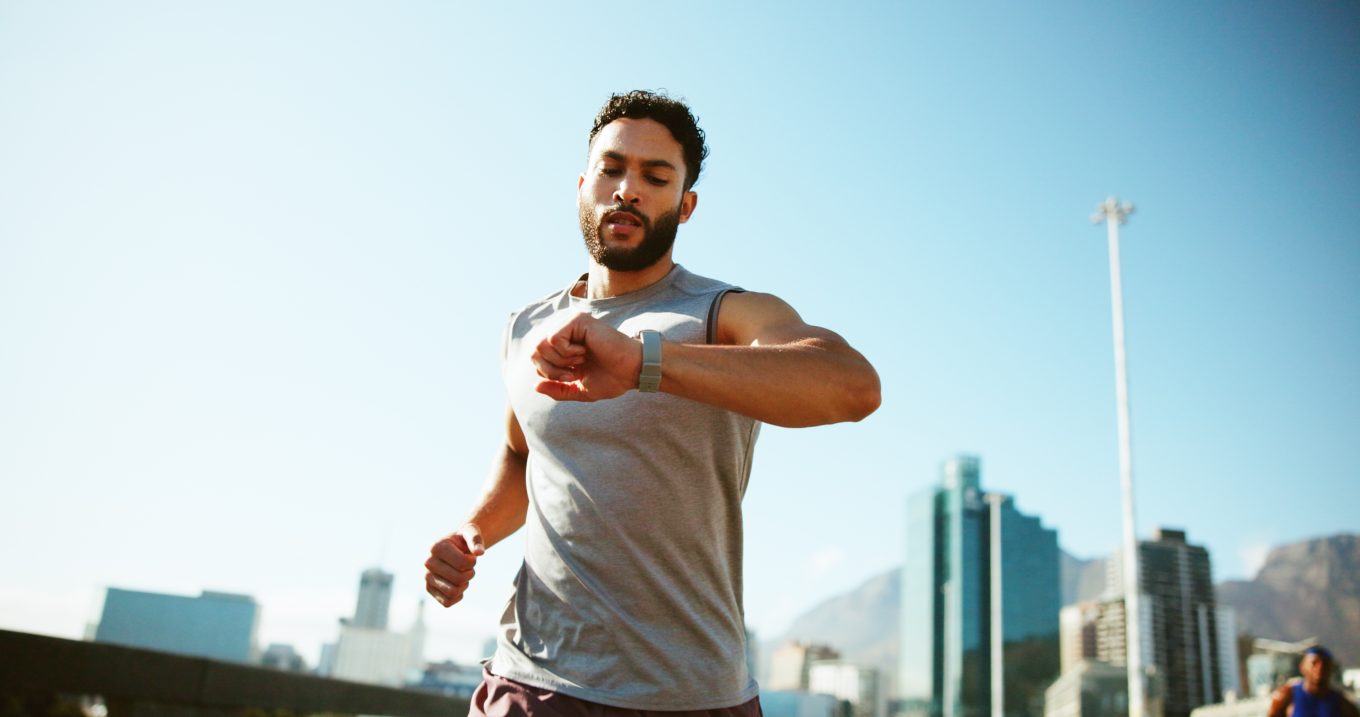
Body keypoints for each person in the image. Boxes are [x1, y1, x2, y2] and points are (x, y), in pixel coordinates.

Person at [424, 90, 881, 716]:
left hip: (691, 697)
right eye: (612, 169)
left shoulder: (724, 312)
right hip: (532, 686)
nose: (628, 188)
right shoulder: (525, 327)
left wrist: (646, 362)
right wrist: (472, 532)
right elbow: (519, 455)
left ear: (685, 205)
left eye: (655, 176)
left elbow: (853, 386)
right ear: (584, 185)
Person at [1269, 646, 1359, 717]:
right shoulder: (1286, 697)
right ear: (1303, 667)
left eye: (1325, 664)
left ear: (1331, 669)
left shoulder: (1343, 704)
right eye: (1314, 663)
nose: (1320, 669)